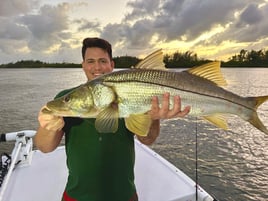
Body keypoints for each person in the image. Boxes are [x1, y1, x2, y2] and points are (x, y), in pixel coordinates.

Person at [34, 37, 190, 201]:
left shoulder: (129, 92)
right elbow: (44, 147)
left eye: (103, 61)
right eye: (91, 61)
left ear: (112, 65)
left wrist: (154, 117)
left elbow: (147, 140)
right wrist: (49, 126)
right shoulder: (66, 98)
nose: (97, 67)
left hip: (125, 195)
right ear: (83, 65)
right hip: (77, 196)